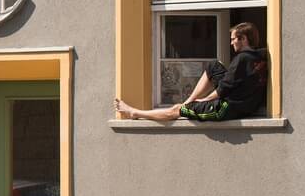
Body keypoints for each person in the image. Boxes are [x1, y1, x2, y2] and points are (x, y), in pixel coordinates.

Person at [115, 22, 270, 123]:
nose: (231, 43)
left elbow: (224, 88)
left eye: (233, 39)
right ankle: (189, 101)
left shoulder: (241, 59)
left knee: (176, 110)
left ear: (243, 39)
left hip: (225, 109)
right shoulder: (260, 56)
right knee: (214, 66)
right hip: (244, 104)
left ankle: (135, 113)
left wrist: (205, 100)